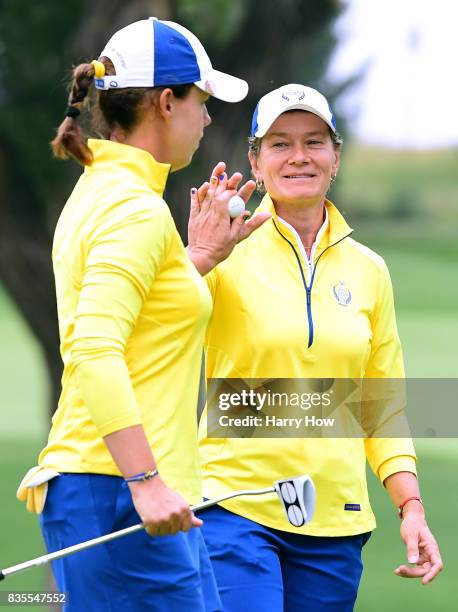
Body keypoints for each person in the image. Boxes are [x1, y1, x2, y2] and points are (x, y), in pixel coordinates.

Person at [16, 17, 267, 611]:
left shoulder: (109, 191)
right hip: (120, 492)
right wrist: (144, 483)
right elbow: (95, 349)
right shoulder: (133, 208)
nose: (207, 118)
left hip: (136, 491)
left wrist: (196, 259)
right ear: (165, 101)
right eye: (201, 101)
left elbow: (142, 322)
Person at [197, 84, 443, 611]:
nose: (299, 157)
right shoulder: (222, 249)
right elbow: (153, 327)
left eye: (314, 142)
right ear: (255, 161)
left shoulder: (370, 270)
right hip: (233, 506)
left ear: (336, 157)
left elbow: (382, 407)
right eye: (280, 144)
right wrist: (198, 256)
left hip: (335, 518)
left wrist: (411, 507)